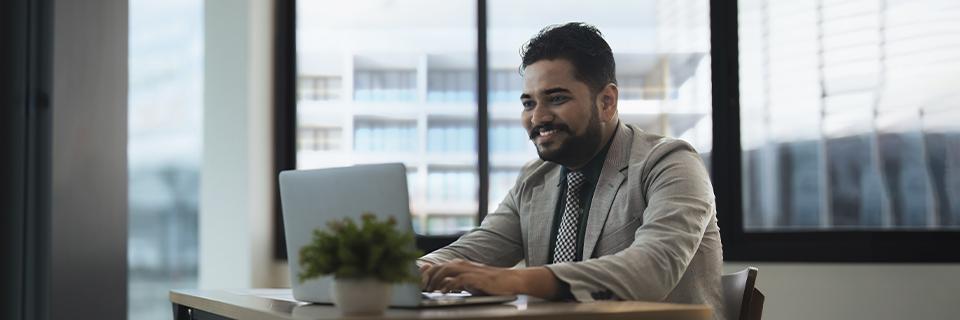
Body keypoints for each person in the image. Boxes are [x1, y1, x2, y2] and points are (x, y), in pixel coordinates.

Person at [418, 22, 724, 318]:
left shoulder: (670, 162)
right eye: (528, 103)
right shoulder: (533, 180)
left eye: (557, 98)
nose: (538, 117)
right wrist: (405, 273)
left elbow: (652, 268)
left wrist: (514, 279)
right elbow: (469, 253)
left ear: (607, 101)